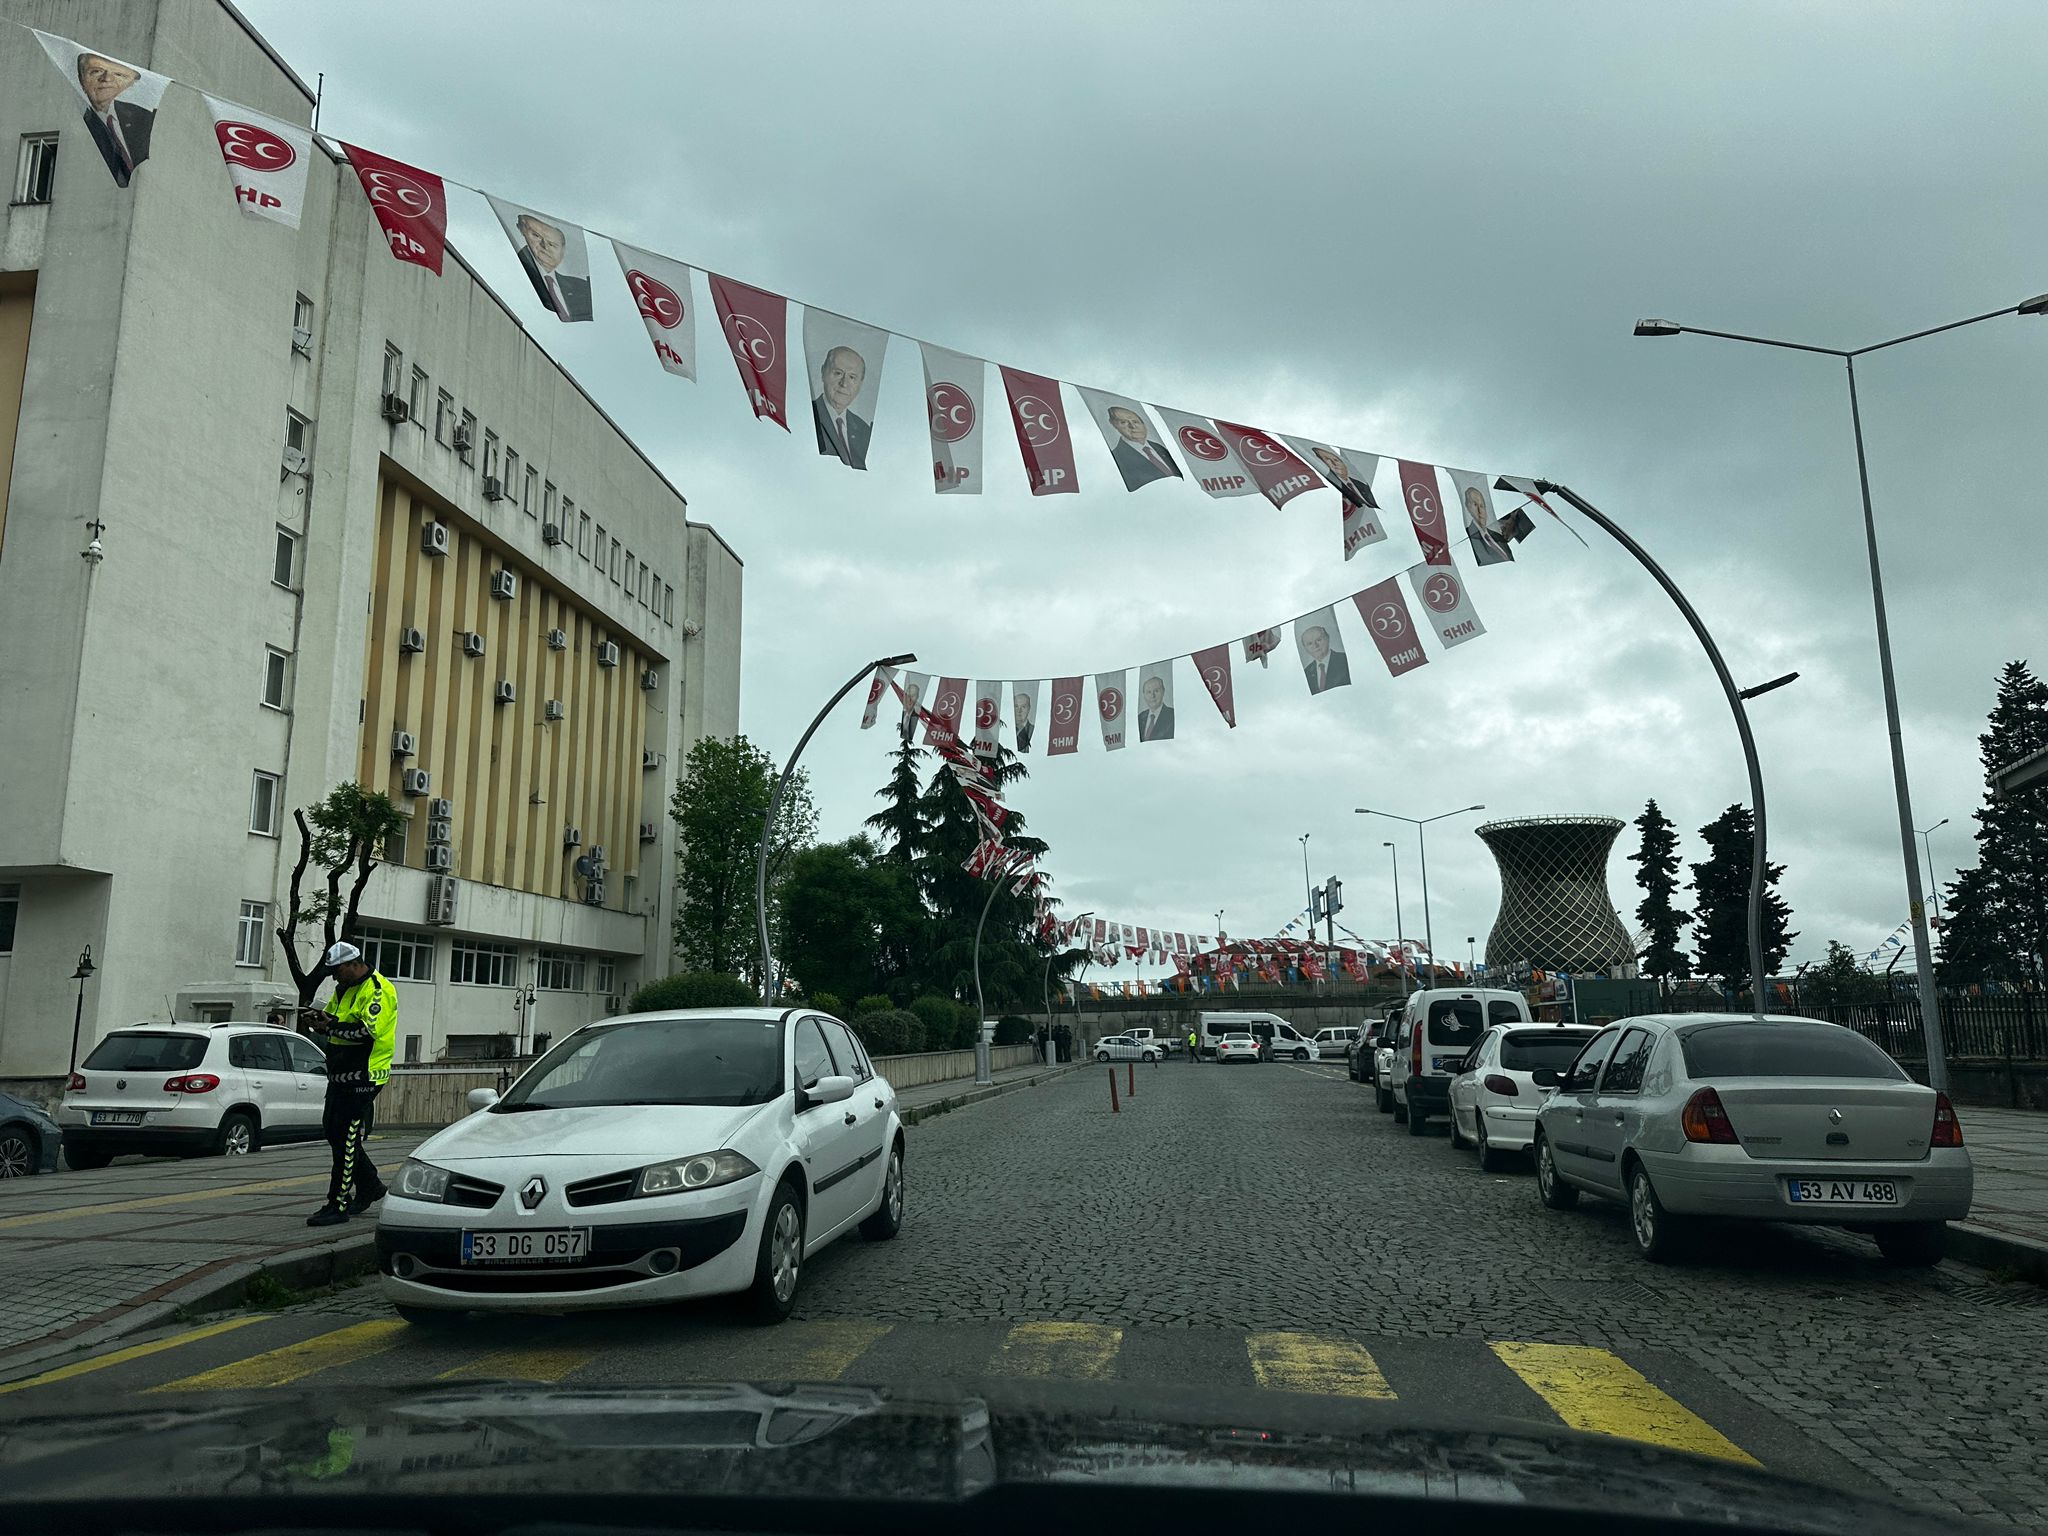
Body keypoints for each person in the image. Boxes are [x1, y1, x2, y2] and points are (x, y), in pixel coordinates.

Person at [300, 940, 396, 1226]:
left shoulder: (378, 990)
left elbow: (365, 1033)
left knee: (345, 1136)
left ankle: (337, 1204)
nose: (334, 977)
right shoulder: (344, 989)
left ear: (354, 964)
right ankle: (371, 1186)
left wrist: (329, 1025)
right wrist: (320, 1020)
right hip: (341, 1073)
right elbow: (336, 1020)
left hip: (365, 1075)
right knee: (334, 1132)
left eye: (337, 970)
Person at [76, 52, 155, 188]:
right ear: (82, 80)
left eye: (119, 75)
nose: (106, 78)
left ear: (131, 83)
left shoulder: (142, 118)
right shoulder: (80, 119)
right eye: (96, 71)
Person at [514, 213, 593, 322]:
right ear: (523, 233)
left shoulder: (580, 287)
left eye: (552, 244)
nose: (545, 246)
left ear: (563, 251)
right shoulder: (514, 272)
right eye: (536, 236)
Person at [812, 345, 873, 469]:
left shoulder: (864, 430)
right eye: (838, 373)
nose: (844, 383)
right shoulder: (810, 413)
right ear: (823, 372)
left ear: (860, 383)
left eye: (852, 377)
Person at [1106, 405, 1181, 490]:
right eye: (1123, 422)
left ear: (1143, 424)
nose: (1132, 426)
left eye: (1135, 421)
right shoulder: (1118, 456)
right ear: (1114, 425)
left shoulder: (1160, 448)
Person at [1312, 445, 1377, 510]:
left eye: (1336, 460)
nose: (1334, 463)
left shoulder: (1362, 484)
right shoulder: (1337, 487)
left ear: (1343, 463)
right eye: (1327, 459)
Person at [1300, 625, 1350, 693]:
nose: (1315, 646)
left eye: (1319, 640)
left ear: (1327, 638)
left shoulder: (1345, 659)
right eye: (1310, 644)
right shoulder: (1306, 672)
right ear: (1305, 648)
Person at [1137, 674, 1175, 741]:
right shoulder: (1140, 717)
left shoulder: (1172, 715)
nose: (1152, 696)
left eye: (1156, 691)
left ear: (1163, 692)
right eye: (1149, 692)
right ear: (1144, 695)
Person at [1013, 688, 1035, 752]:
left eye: (1023, 707)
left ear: (1029, 709)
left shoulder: (1031, 729)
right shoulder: (1007, 730)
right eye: (1016, 706)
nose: (1019, 711)